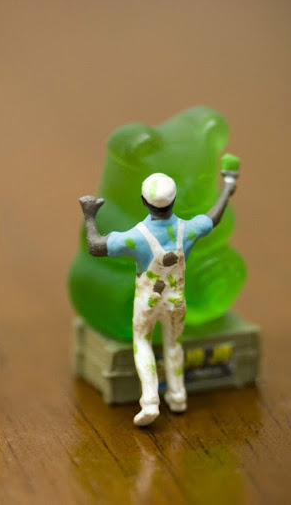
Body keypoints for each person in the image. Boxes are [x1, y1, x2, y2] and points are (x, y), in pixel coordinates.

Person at [79, 170, 237, 426]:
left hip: (147, 302)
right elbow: (214, 217)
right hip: (176, 301)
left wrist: (89, 215)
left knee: (142, 342)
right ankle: (178, 396)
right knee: (174, 345)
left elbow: (95, 246)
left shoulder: (136, 236)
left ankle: (150, 401)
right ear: (174, 200)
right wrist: (227, 188)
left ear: (144, 201)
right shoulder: (188, 229)